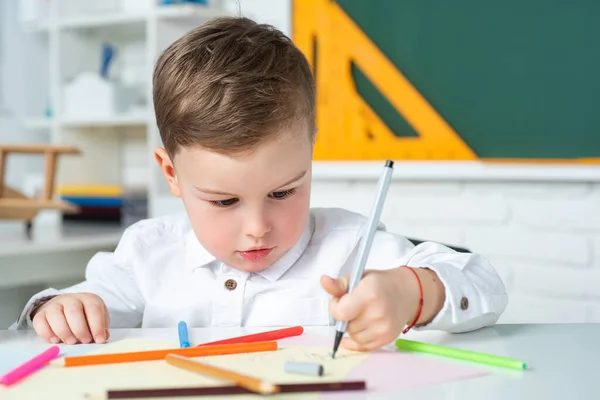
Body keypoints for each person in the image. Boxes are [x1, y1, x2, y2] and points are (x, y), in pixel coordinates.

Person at [11, 17, 507, 351]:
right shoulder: (146, 253)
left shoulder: (349, 248)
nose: (257, 228)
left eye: (283, 192)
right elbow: (79, 305)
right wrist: (61, 308)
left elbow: (483, 284)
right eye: (224, 200)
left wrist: (411, 292)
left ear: (309, 152)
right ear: (172, 174)